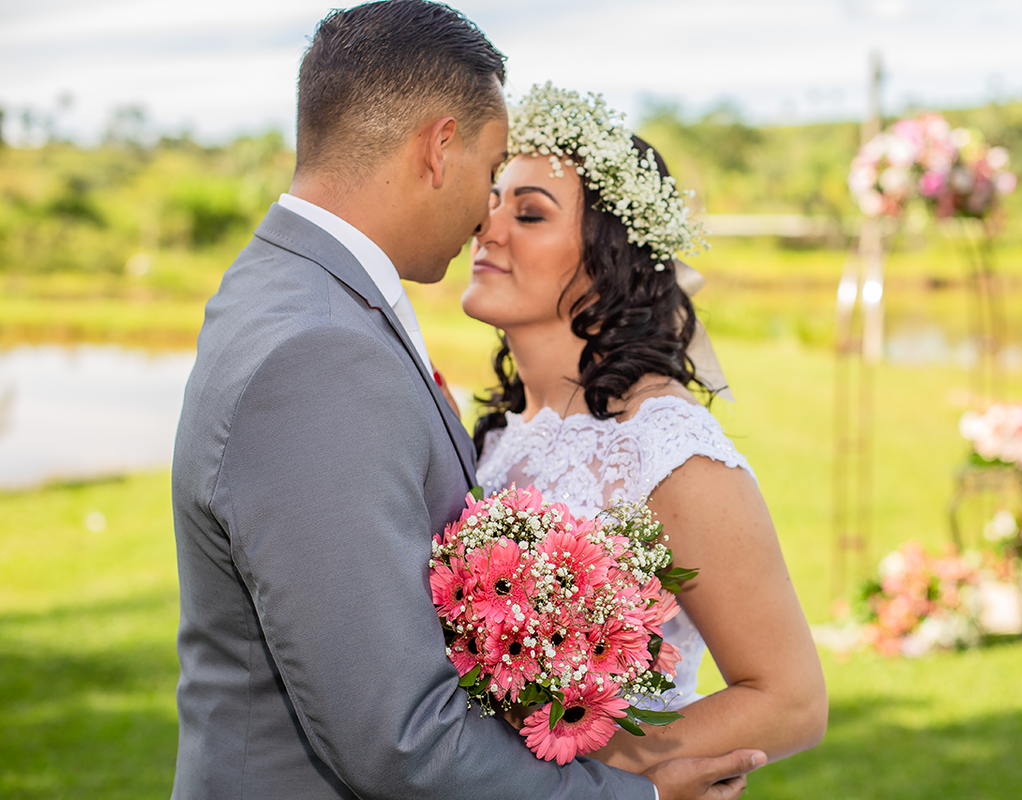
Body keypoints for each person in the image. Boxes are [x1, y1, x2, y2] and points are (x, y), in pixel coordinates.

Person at [170, 3, 763, 799]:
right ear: (437, 148)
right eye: (492, 178)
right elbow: (399, 739)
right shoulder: (321, 348)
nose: (486, 217)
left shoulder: (285, 289)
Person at [463, 83, 828, 773]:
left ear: (610, 261)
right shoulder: (494, 437)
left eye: (531, 215)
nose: (489, 230)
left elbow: (792, 701)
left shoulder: (665, 450)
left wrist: (583, 778)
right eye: (490, 204)